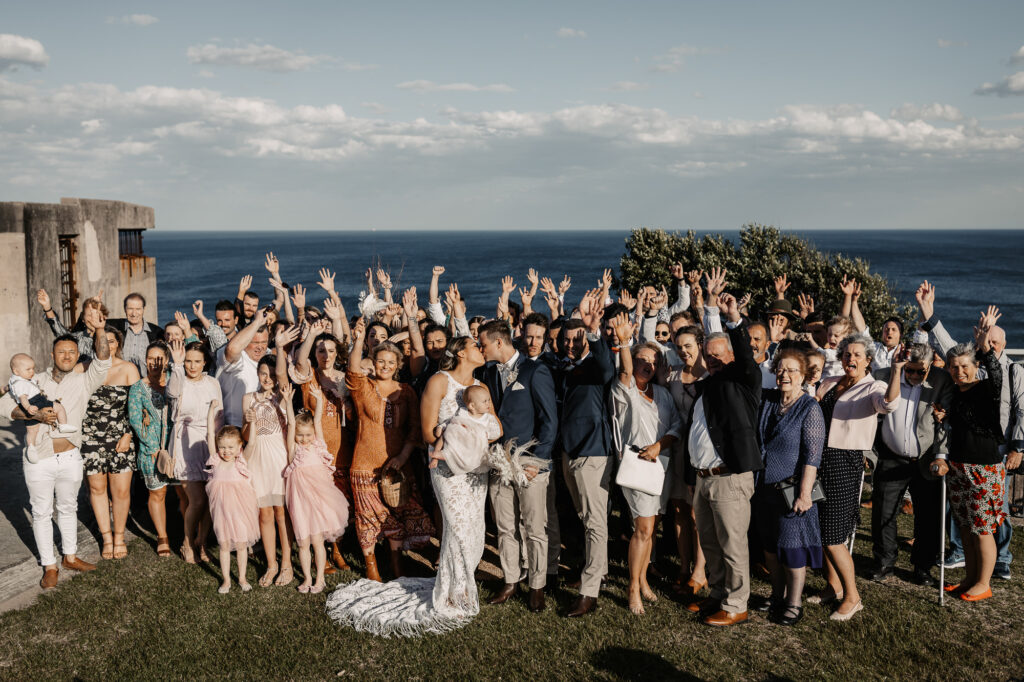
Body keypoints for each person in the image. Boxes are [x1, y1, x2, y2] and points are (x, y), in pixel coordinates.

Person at [326, 335, 506, 636]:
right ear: (460, 352)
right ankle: (450, 593)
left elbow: (494, 427)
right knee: (457, 528)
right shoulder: (439, 381)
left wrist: (474, 439)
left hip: (476, 470)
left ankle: (460, 587)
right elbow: (426, 431)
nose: (481, 348)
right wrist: (457, 440)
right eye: (475, 345)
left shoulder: (482, 388)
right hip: (447, 469)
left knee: (474, 529)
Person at [918, 284, 1023, 580]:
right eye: (985, 340)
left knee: (989, 521)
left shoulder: (1000, 375)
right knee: (969, 522)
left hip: (990, 458)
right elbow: (947, 346)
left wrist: (1018, 446)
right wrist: (928, 311)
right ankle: (970, 569)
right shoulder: (962, 382)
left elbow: (1018, 407)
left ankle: (997, 565)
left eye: (994, 342)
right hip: (961, 460)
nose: (960, 370)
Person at [0, 306, 110, 589]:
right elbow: (4, 406)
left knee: (68, 507)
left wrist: (100, 330)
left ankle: (70, 556)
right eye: (62, 352)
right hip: (40, 460)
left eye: (72, 353)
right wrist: (33, 415)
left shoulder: (85, 379)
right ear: (52, 355)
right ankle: (49, 565)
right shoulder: (34, 381)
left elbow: (103, 361)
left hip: (71, 456)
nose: (67, 356)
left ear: (77, 355)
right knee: (41, 511)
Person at [682, 291, 763, 627]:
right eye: (708, 355)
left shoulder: (743, 381)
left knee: (732, 544)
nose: (712, 359)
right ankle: (717, 594)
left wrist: (734, 321)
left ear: (730, 354)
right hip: (704, 478)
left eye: (718, 354)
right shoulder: (707, 386)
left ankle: (736, 603)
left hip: (729, 477)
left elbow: (745, 357)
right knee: (711, 543)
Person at [812, 334, 899, 621]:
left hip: (844, 461)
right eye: (847, 354)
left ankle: (853, 596)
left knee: (834, 534)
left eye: (857, 355)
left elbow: (887, 405)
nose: (851, 358)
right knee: (821, 530)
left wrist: (897, 370)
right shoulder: (830, 382)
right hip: (818, 459)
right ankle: (833, 587)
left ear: (868, 360)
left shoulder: (874, 386)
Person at [478, 319, 558, 613]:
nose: (480, 348)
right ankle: (511, 579)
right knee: (504, 525)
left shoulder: (536, 371)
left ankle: (537, 585)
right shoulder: (486, 372)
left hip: (529, 461)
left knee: (535, 526)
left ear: (499, 342)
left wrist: (539, 460)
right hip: (498, 460)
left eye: (483, 344)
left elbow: (549, 420)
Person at [346, 318, 434, 580]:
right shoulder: (364, 387)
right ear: (373, 363)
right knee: (367, 518)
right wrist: (359, 339)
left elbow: (415, 429)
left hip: (398, 465)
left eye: (390, 362)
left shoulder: (406, 391)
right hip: (364, 464)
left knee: (395, 517)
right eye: (380, 361)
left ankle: (396, 566)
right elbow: (352, 370)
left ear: (399, 365)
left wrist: (403, 456)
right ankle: (371, 567)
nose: (385, 366)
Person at [610, 316, 681, 616]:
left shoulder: (663, 394)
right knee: (643, 527)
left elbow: (676, 425)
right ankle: (632, 587)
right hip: (635, 467)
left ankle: (642, 580)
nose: (647, 365)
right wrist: (626, 342)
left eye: (653, 361)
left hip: (659, 468)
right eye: (642, 360)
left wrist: (660, 445)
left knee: (651, 529)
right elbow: (626, 370)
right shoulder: (623, 390)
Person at [934, 312, 1007, 602]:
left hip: (984, 468)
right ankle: (969, 579)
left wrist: (984, 344)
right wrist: (945, 414)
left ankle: (984, 583)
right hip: (958, 466)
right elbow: (963, 420)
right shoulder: (958, 392)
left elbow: (997, 370)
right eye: (953, 367)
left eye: (964, 366)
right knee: (965, 525)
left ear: (975, 366)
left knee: (983, 527)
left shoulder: (987, 388)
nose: (958, 371)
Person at [868, 343, 952, 586]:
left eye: (920, 372)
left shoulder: (941, 380)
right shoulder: (883, 375)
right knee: (883, 512)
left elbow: (944, 423)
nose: (914, 376)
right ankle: (884, 562)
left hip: (926, 458)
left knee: (928, 516)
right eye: (910, 371)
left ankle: (923, 567)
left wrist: (941, 456)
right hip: (891, 455)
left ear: (929, 367)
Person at [555, 293, 616, 618]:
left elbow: (608, 368)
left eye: (576, 340)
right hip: (569, 452)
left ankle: (589, 592)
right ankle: (599, 570)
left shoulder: (595, 366)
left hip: (593, 452)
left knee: (595, 522)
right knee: (587, 518)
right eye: (565, 340)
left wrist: (594, 332)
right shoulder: (563, 368)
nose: (569, 345)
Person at [753, 348, 825, 626]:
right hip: (764, 487)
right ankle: (776, 594)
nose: (785, 375)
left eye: (792, 370)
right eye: (781, 369)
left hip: (792, 490)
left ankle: (794, 603)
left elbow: (812, 455)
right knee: (770, 548)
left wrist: (806, 494)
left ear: (803, 375)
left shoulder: (810, 408)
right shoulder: (768, 400)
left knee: (792, 549)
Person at [282, 383, 350, 594]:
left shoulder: (318, 445)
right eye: (300, 436)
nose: (304, 439)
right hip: (299, 499)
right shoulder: (293, 449)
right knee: (303, 541)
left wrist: (319, 401)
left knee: (318, 541)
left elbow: (318, 421)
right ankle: (307, 578)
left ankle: (320, 578)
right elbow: (291, 424)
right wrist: (287, 402)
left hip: (318, 499)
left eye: (307, 435)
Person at [80, 326, 140, 561]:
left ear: (118, 344)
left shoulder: (128, 369)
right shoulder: (83, 369)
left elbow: (136, 408)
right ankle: (106, 538)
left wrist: (128, 434)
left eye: (112, 341)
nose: (107, 345)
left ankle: (119, 537)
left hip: (121, 438)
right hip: (91, 438)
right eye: (102, 341)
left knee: (121, 491)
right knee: (97, 489)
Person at [167, 339, 223, 563]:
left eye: (196, 361)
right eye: (189, 361)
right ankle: (187, 542)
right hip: (184, 442)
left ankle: (202, 542)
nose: (192, 366)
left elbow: (220, 414)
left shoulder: (212, 382)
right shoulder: (179, 380)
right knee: (197, 500)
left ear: (205, 362)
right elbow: (171, 393)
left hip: (209, 442)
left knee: (209, 499)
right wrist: (177, 365)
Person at [242, 352, 294, 587]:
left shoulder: (283, 397)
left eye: (271, 374)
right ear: (258, 374)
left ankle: (287, 565)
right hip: (257, 459)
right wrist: (248, 422)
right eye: (263, 373)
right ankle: (271, 564)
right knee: (264, 513)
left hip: (278, 457)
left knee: (282, 513)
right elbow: (245, 437)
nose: (267, 378)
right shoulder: (248, 398)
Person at [666, 325, 709, 597]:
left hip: (699, 452)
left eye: (688, 346)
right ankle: (683, 566)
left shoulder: (710, 377)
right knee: (680, 510)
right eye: (679, 347)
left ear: (700, 344)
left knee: (698, 515)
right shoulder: (671, 374)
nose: (683, 351)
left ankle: (700, 571)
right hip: (675, 450)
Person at [128, 341, 178, 558]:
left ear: (167, 360)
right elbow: (136, 420)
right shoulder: (138, 388)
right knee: (158, 493)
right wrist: (153, 448)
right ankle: (162, 536)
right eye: (151, 358)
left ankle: (188, 533)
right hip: (152, 451)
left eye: (159, 358)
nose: (155, 363)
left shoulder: (176, 382)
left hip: (178, 446)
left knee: (185, 494)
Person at [204, 404, 260, 594]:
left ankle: (242, 577)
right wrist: (211, 414)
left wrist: (252, 424)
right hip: (221, 512)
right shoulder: (216, 460)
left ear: (238, 448)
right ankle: (226, 580)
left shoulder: (241, 462)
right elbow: (210, 436)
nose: (226, 451)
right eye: (222, 447)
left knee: (242, 544)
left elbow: (251, 443)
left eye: (230, 447)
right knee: (225, 544)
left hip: (240, 511)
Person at [8, 353, 77, 450]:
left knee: (33, 430)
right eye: (28, 369)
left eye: (33, 368)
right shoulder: (20, 384)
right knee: (57, 409)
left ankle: (32, 448)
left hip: (35, 401)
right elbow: (23, 398)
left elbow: (12, 389)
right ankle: (62, 425)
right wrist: (28, 407)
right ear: (16, 371)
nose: (32, 372)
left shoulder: (18, 380)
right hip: (35, 402)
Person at [428, 384, 501, 472]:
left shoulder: (488, 418)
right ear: (472, 406)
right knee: (447, 433)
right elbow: (451, 420)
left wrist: (486, 434)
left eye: (488, 400)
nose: (488, 403)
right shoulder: (463, 413)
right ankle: (436, 456)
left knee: (470, 454)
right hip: (460, 441)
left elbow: (497, 431)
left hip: (474, 446)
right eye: (484, 401)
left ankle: (447, 455)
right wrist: (442, 426)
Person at [217, 308, 269, 427]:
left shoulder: (268, 358)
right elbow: (232, 349)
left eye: (264, 342)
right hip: (235, 428)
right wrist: (256, 322)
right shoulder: (236, 357)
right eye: (255, 343)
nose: (260, 347)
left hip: (262, 429)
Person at [107, 292, 165, 374]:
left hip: (145, 383)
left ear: (143, 309)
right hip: (119, 380)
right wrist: (94, 307)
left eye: (138, 309)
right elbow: (87, 325)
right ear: (124, 309)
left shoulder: (157, 332)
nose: (134, 314)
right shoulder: (114, 326)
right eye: (130, 309)